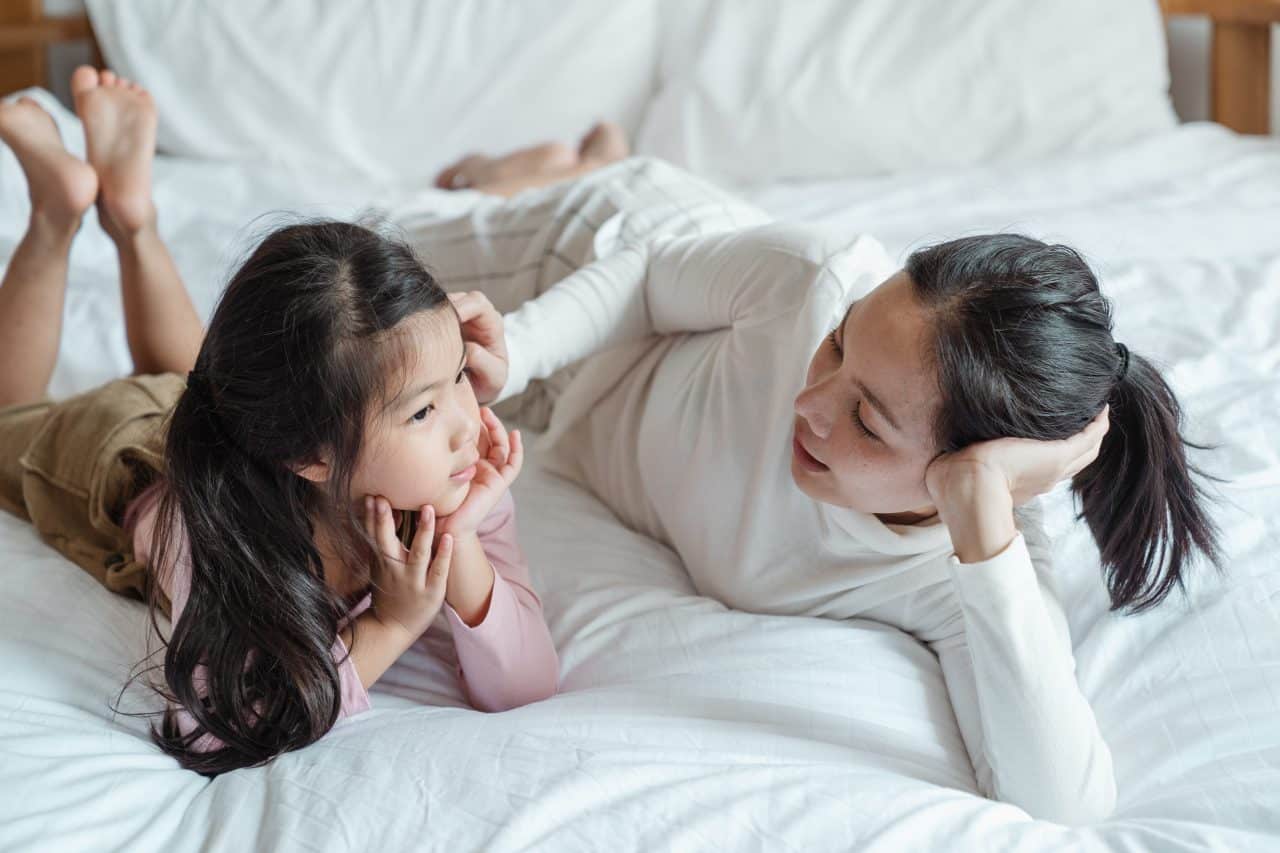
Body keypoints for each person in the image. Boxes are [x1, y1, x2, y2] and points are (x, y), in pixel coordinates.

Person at [414, 150, 1221, 824]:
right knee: (375, 263)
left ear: (962, 472)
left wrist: (980, 507)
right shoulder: (811, 279)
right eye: (837, 346)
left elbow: (1065, 803)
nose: (810, 404)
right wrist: (515, 350)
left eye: (867, 422)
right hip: (591, 266)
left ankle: (584, 152)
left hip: (572, 419)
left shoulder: (964, 568)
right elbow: (652, 276)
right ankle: (581, 164)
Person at [0, 69, 558, 777]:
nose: (463, 422)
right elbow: (214, 729)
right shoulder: (213, 532)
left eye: (458, 378)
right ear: (311, 456)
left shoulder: (449, 468)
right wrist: (390, 623)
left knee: (190, 375)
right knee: (10, 416)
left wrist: (462, 537)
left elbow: (528, 685)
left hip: (221, 415)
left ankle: (132, 214)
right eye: (423, 408)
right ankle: (58, 211)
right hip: (117, 451)